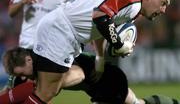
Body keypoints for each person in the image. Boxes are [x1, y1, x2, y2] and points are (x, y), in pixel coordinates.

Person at [21, 0, 172, 103]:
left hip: (65, 33)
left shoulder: (132, 3)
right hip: (61, 31)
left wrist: (100, 58)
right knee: (47, 91)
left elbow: (101, 27)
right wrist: (119, 45)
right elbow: (100, 16)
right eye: (163, 3)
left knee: (52, 86)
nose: (164, 10)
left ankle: (23, 80)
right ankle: (20, 82)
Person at [1, 48, 180, 104]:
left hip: (106, 81)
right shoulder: (32, 67)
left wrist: (43, 89)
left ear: (28, 60)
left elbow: (79, 74)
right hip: (95, 85)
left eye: (24, 74)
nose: (26, 78)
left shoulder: (50, 60)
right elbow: (10, 90)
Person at [5, 0, 80, 91]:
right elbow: (11, 12)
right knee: (16, 89)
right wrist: (23, 1)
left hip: (50, 48)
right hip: (26, 46)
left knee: (43, 90)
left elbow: (78, 17)